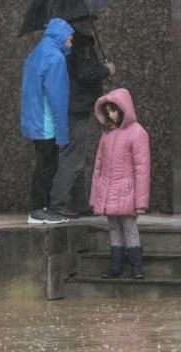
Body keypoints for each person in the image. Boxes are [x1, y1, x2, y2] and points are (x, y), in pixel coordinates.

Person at [49, 16, 115, 219]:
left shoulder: (73, 44)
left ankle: (79, 202)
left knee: (76, 157)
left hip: (72, 106)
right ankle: (58, 202)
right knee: (73, 158)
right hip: (76, 107)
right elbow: (86, 73)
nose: (91, 24)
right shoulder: (81, 45)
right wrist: (106, 69)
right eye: (87, 20)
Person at [89, 88, 150, 279]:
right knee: (114, 229)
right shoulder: (107, 134)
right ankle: (116, 267)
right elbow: (97, 167)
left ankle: (136, 267)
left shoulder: (137, 133)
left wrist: (140, 202)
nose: (111, 115)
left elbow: (142, 169)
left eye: (114, 110)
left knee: (129, 228)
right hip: (109, 191)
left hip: (126, 192)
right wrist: (95, 196)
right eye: (108, 111)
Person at [20, 17, 74, 224]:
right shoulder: (55, 58)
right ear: (60, 37)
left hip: (34, 119)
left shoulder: (37, 53)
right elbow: (57, 97)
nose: (71, 43)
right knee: (48, 165)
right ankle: (38, 208)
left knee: (43, 163)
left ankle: (41, 207)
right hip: (46, 122)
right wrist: (63, 131)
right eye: (69, 39)